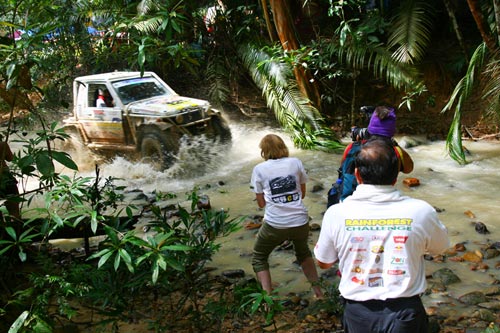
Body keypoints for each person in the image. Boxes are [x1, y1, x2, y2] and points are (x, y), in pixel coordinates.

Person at [315, 139, 450, 333]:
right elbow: (441, 247)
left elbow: (324, 262)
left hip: (358, 312)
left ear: (357, 175)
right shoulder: (421, 211)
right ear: (396, 176)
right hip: (406, 313)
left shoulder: (337, 213)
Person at [250, 134, 323, 298]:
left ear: (264, 151)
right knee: (303, 253)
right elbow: (302, 194)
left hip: (275, 224)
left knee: (259, 257)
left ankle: (268, 299)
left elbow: (261, 204)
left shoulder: (259, 169)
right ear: (283, 147)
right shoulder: (295, 163)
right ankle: (318, 293)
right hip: (300, 221)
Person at [329, 106, 413, 206]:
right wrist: (394, 143)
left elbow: (342, 169)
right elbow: (409, 169)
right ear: (392, 133)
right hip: (383, 204)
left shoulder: (352, 147)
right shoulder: (395, 152)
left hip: (347, 202)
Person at [0, 140, 20, 220]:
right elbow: (10, 158)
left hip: (5, 177)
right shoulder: (2, 144)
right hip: (6, 178)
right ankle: (17, 228)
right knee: (14, 209)